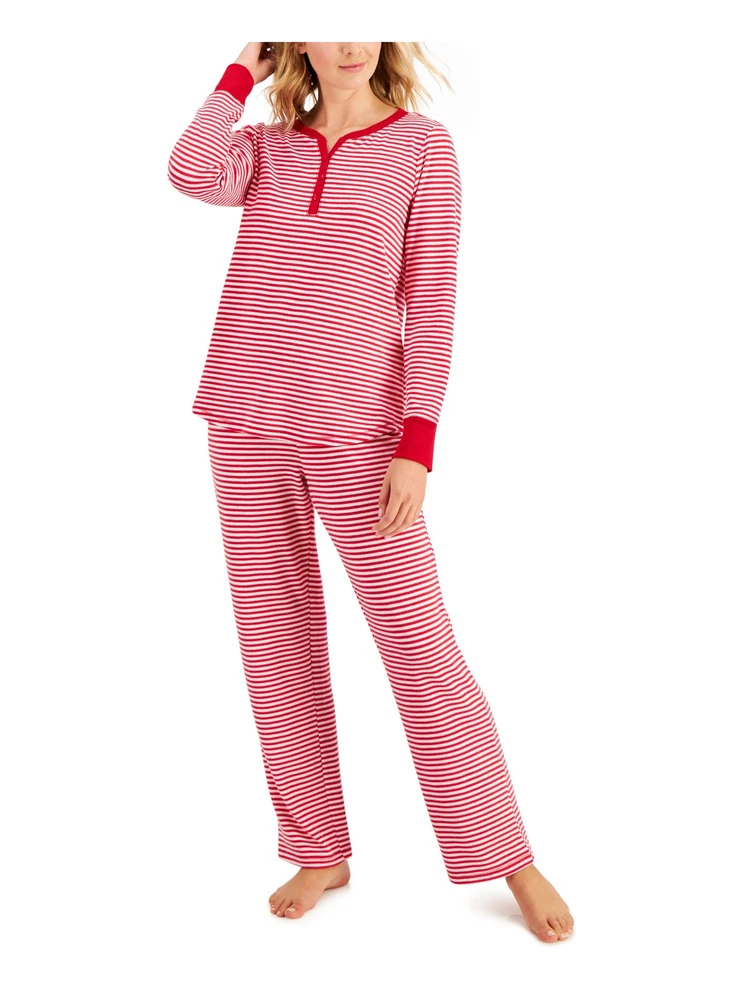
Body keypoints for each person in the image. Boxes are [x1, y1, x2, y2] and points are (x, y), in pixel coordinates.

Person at [167, 41, 574, 942]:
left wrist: (416, 444)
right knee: (275, 643)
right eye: (328, 24)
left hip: (362, 431)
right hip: (244, 414)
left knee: (420, 646)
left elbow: (431, 301)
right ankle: (318, 847)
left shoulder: (422, 146)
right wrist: (241, 73)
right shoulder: (266, 146)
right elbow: (188, 169)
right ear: (296, 40)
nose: (350, 44)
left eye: (367, 22)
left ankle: (507, 855)